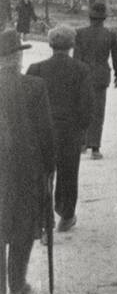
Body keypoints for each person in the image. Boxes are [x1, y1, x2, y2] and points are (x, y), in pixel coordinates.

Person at [0, 28, 55, 294]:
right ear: (17, 59)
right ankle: (17, 282)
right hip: (25, 166)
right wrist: (49, 167)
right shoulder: (34, 87)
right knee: (23, 223)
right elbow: (46, 133)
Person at [26, 26, 92, 233]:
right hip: (69, 131)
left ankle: (44, 220)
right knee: (68, 173)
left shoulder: (36, 69)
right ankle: (66, 215)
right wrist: (82, 131)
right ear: (72, 45)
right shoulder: (81, 69)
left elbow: (27, 103)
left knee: (44, 174)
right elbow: (87, 105)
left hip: (42, 131)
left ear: (50, 44)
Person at [73, 1, 117, 158]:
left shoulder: (79, 33)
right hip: (101, 77)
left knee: (81, 109)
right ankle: (95, 148)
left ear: (90, 17)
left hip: (83, 76)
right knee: (97, 112)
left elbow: (76, 58)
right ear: (104, 18)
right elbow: (116, 57)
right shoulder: (110, 35)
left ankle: (81, 143)